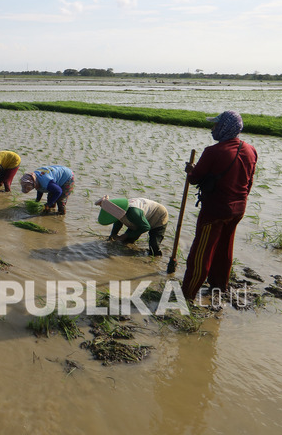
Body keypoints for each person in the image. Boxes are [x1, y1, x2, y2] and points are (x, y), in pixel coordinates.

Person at [182, 110, 257, 301]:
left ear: (224, 128)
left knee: (202, 252)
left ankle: (188, 293)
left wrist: (190, 171)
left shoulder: (213, 151)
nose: (212, 128)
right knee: (224, 248)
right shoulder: (250, 150)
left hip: (215, 210)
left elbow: (196, 178)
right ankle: (219, 286)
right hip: (238, 209)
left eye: (215, 125)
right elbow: (249, 182)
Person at [95, 196, 169, 256]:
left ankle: (157, 260)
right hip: (142, 217)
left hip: (159, 215)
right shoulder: (117, 210)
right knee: (126, 242)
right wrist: (113, 235)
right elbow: (118, 223)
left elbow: (146, 227)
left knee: (153, 247)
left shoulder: (133, 212)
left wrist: (125, 235)